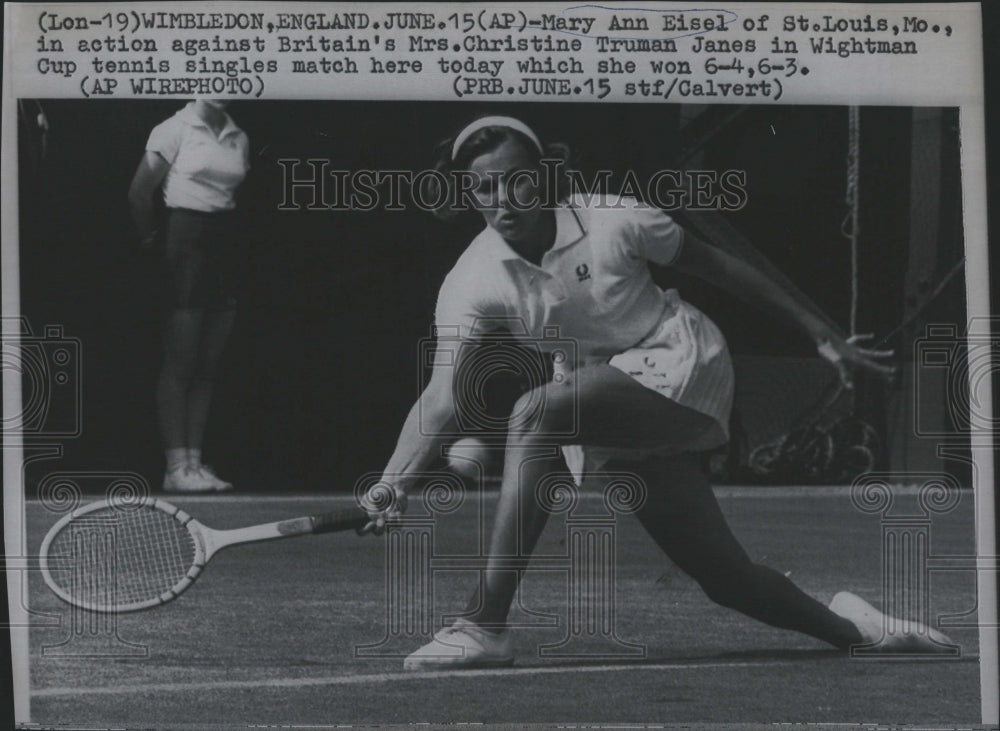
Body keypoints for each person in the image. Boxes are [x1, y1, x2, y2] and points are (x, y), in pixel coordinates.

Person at [362, 115, 953, 668]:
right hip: (605, 404)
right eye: (485, 188)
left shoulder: (615, 219)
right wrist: (392, 481)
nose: (503, 200)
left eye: (518, 181)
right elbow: (442, 395)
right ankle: (865, 629)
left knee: (538, 411)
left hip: (681, 361)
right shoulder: (472, 279)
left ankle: (484, 622)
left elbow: (721, 269)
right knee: (728, 580)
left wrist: (820, 333)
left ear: (545, 177)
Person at [129, 99, 250, 493]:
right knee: (180, 359)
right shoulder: (172, 129)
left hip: (224, 243)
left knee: (207, 363)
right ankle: (175, 464)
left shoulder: (238, 136)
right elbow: (139, 194)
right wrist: (155, 242)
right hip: (183, 242)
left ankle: (194, 465)